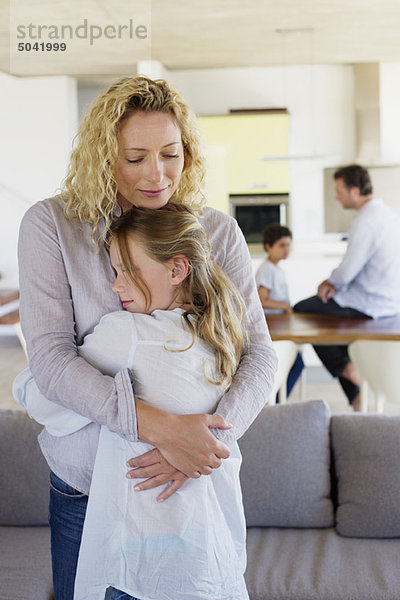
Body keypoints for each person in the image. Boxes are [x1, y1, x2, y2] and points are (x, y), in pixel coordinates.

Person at [15, 75, 277, 599]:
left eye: (169, 153)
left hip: (187, 485)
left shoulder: (217, 233)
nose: (157, 175)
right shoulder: (52, 226)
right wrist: (161, 428)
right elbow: (50, 359)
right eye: (135, 158)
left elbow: (260, 356)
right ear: (103, 156)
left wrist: (204, 444)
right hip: (87, 492)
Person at [15, 203, 250, 599]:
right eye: (114, 271)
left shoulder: (127, 335)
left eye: (128, 271)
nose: (115, 286)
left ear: (177, 269)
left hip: (133, 548)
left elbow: (43, 398)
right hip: (202, 544)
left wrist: (36, 382)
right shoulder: (220, 337)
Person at [294, 164, 400, 411]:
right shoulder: (388, 215)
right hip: (386, 301)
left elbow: (348, 268)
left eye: (339, 191)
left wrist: (330, 283)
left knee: (304, 311)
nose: (336, 196)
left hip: (367, 303)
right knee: (330, 324)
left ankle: (347, 371)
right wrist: (337, 284)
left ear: (355, 191)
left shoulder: (366, 221)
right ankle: (354, 392)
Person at [255, 223, 304, 399]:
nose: (286, 249)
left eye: (288, 244)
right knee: (296, 363)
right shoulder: (267, 269)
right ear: (269, 247)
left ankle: (276, 399)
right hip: (272, 326)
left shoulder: (276, 268)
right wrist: (284, 306)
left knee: (295, 362)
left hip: (278, 325)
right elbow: (261, 300)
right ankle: (274, 400)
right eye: (282, 245)